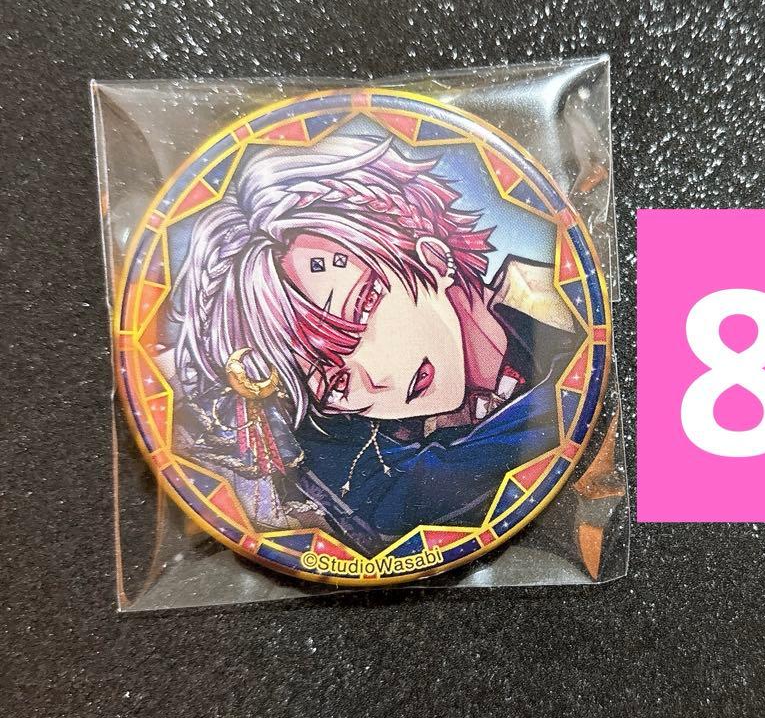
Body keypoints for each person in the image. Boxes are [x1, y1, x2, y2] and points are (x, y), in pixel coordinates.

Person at [171, 134, 578, 551]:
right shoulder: (360, 456)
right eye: (335, 381)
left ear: (432, 261)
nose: (378, 378)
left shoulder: (566, 315)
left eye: (364, 308)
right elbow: (399, 501)